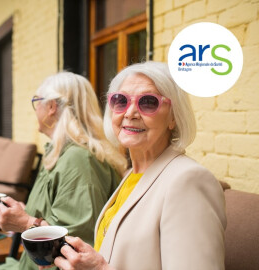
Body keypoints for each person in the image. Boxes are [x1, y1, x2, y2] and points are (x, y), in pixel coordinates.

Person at [54, 61, 227, 270]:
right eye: (120, 101)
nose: (130, 113)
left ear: (174, 117)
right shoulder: (132, 174)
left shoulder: (188, 181)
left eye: (148, 102)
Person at [0, 72, 127, 270]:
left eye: (36, 102)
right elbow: (56, 216)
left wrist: (24, 222)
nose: (35, 109)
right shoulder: (60, 153)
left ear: (51, 107)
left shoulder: (78, 160)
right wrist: (23, 213)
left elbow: (77, 244)